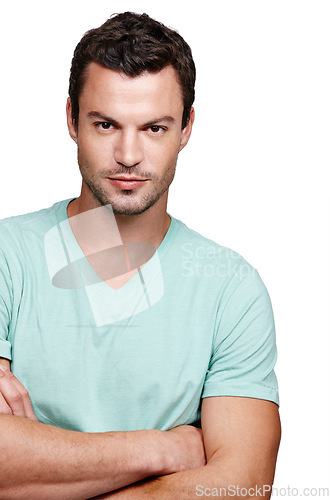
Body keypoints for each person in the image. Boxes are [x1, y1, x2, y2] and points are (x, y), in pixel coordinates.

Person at [0, 11, 281, 499]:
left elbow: (243, 485)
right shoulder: (7, 257)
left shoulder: (230, 288)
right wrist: (164, 451)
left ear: (187, 127)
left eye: (153, 128)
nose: (128, 155)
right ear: (71, 119)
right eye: (106, 124)